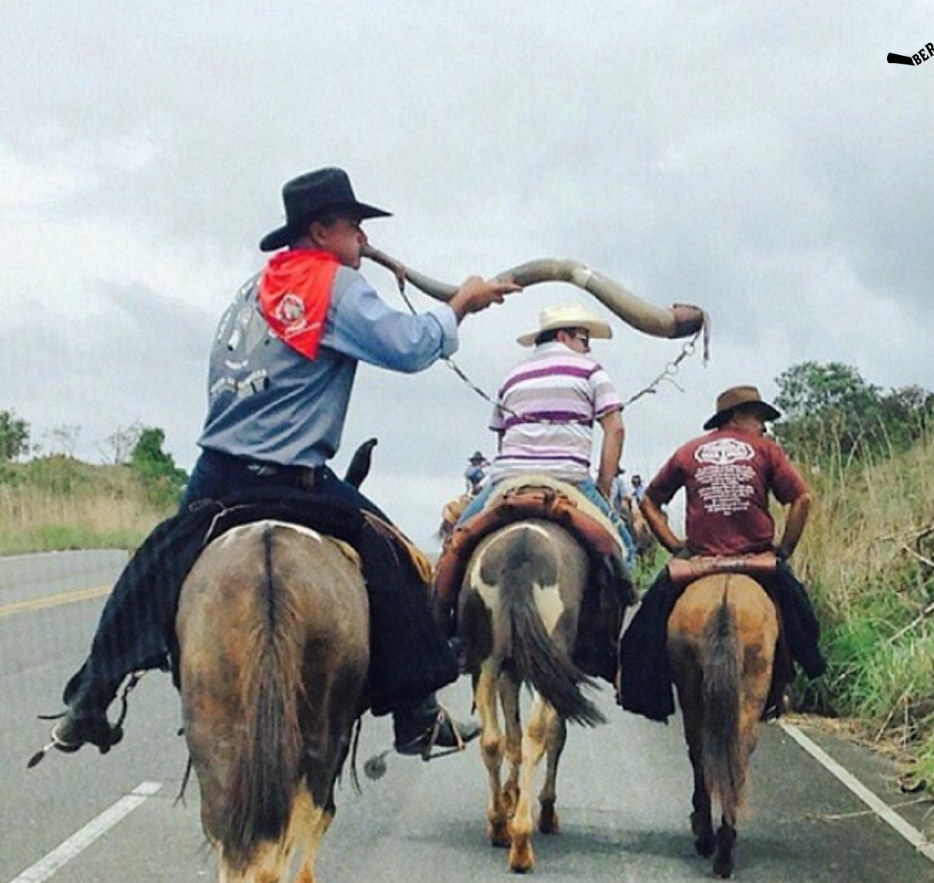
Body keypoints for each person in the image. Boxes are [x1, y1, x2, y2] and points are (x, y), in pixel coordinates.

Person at [46, 166, 520, 761]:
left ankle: (91, 697)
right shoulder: (335, 286)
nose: (363, 241)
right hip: (293, 476)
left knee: (155, 564)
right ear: (321, 231)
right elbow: (408, 347)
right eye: (353, 227)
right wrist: (461, 307)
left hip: (218, 471)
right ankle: (416, 715)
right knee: (396, 556)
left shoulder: (251, 292)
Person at [619, 384, 826, 722]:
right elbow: (801, 499)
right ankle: (799, 674)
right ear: (737, 416)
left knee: (646, 627)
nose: (764, 426)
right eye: (759, 417)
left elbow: (650, 501)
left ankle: (640, 689)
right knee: (800, 615)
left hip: (698, 561)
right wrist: (784, 550)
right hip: (756, 559)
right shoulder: (766, 450)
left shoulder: (688, 452)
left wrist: (675, 545)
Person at [455, 304, 633, 560]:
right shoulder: (591, 370)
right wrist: (604, 488)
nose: (588, 348)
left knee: (456, 539)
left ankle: (438, 600)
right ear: (562, 336)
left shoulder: (512, 376)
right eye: (583, 340)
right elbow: (615, 429)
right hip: (568, 478)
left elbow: (502, 438)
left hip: (508, 479)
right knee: (625, 549)